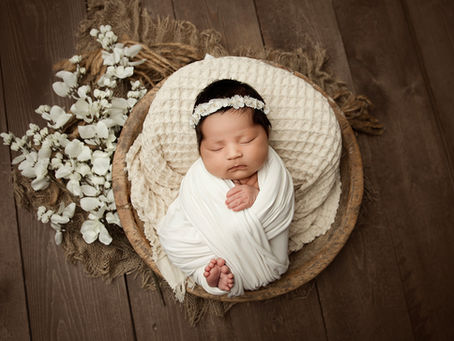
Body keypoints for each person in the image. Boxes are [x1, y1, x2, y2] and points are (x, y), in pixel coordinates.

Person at [157, 79, 295, 296]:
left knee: (265, 248)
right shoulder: (199, 180)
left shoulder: (274, 176)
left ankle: (220, 274)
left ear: (267, 134)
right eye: (216, 147)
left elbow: (279, 207)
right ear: (201, 150)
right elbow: (184, 219)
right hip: (206, 244)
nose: (233, 154)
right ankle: (211, 277)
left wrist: (257, 195)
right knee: (178, 236)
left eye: (247, 140)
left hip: (263, 255)